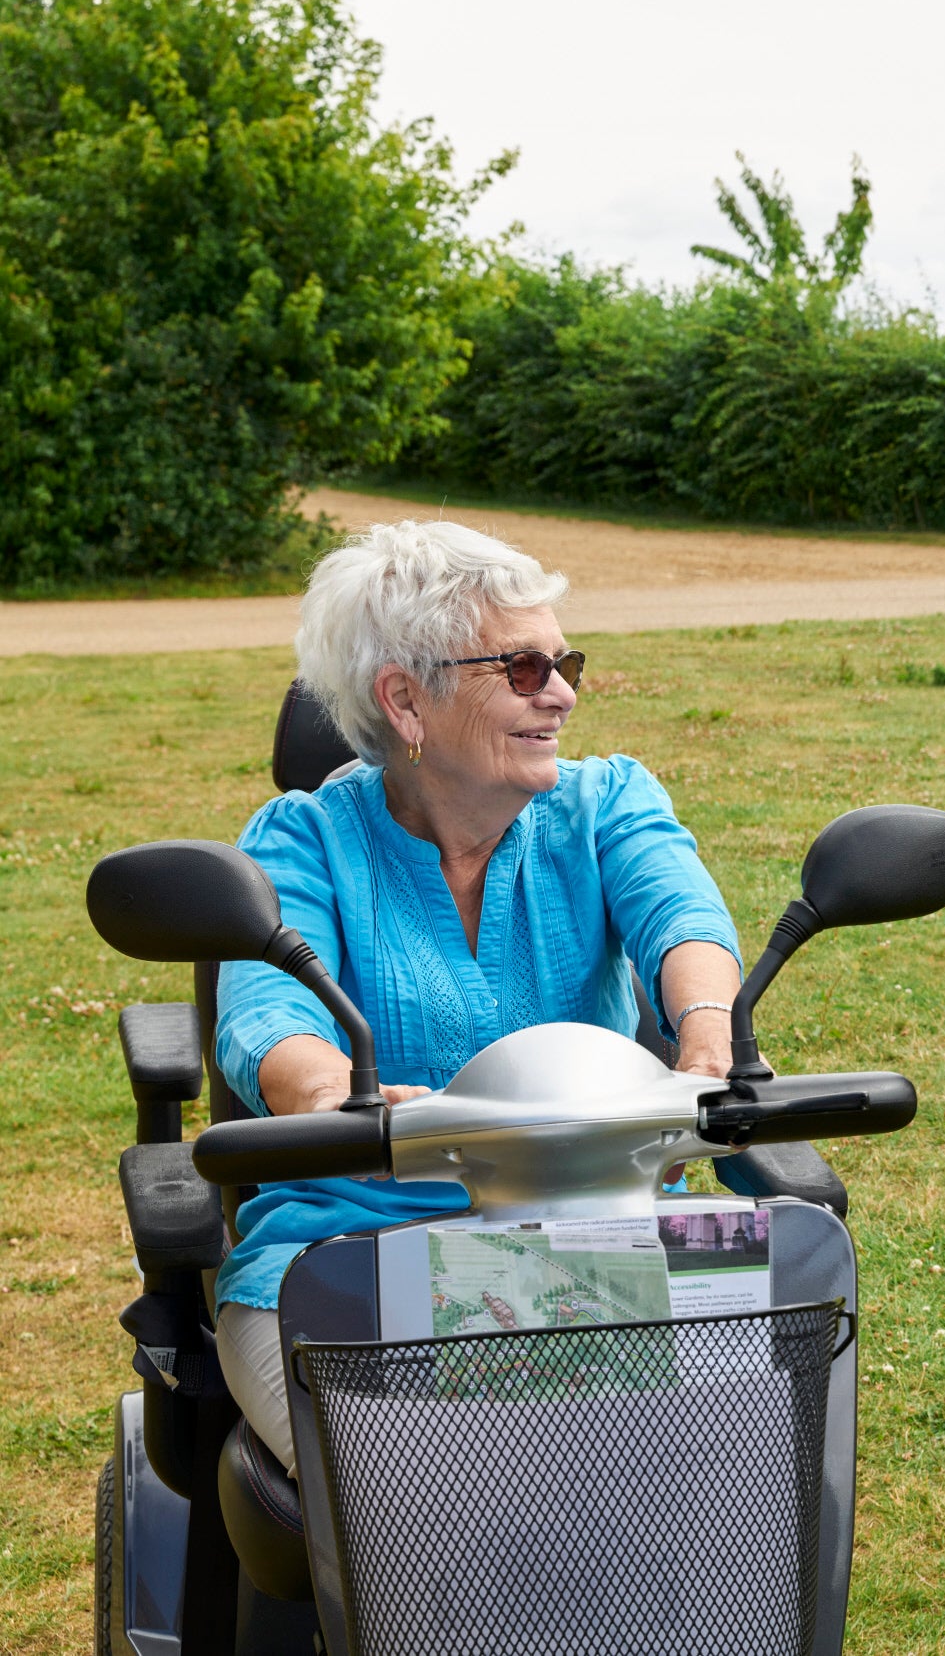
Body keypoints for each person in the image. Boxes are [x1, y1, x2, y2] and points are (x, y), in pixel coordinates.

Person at [211, 521, 744, 1473]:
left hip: (600, 1235)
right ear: (406, 699)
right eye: (526, 668)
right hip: (350, 1254)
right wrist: (334, 1098)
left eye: (565, 660)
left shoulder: (605, 800)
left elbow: (681, 915)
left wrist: (707, 1042)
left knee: (732, 1475)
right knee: (437, 1504)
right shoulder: (304, 840)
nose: (565, 693)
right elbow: (268, 1009)